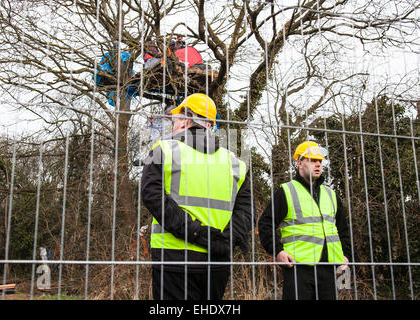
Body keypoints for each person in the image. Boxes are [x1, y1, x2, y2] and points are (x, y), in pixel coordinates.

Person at [141, 93, 254, 300]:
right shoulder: (235, 163)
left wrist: (197, 234)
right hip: (217, 261)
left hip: (174, 259)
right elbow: (246, 211)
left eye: (175, 120)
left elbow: (152, 197)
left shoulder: (163, 150)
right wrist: (225, 241)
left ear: (185, 120)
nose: (173, 125)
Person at [258, 141, 351, 300]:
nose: (318, 165)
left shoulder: (331, 194)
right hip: (298, 268)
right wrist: (278, 251)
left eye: (320, 161)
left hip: (328, 269)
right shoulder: (286, 191)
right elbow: (265, 225)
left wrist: (346, 255)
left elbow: (343, 230)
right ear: (300, 163)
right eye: (312, 160)